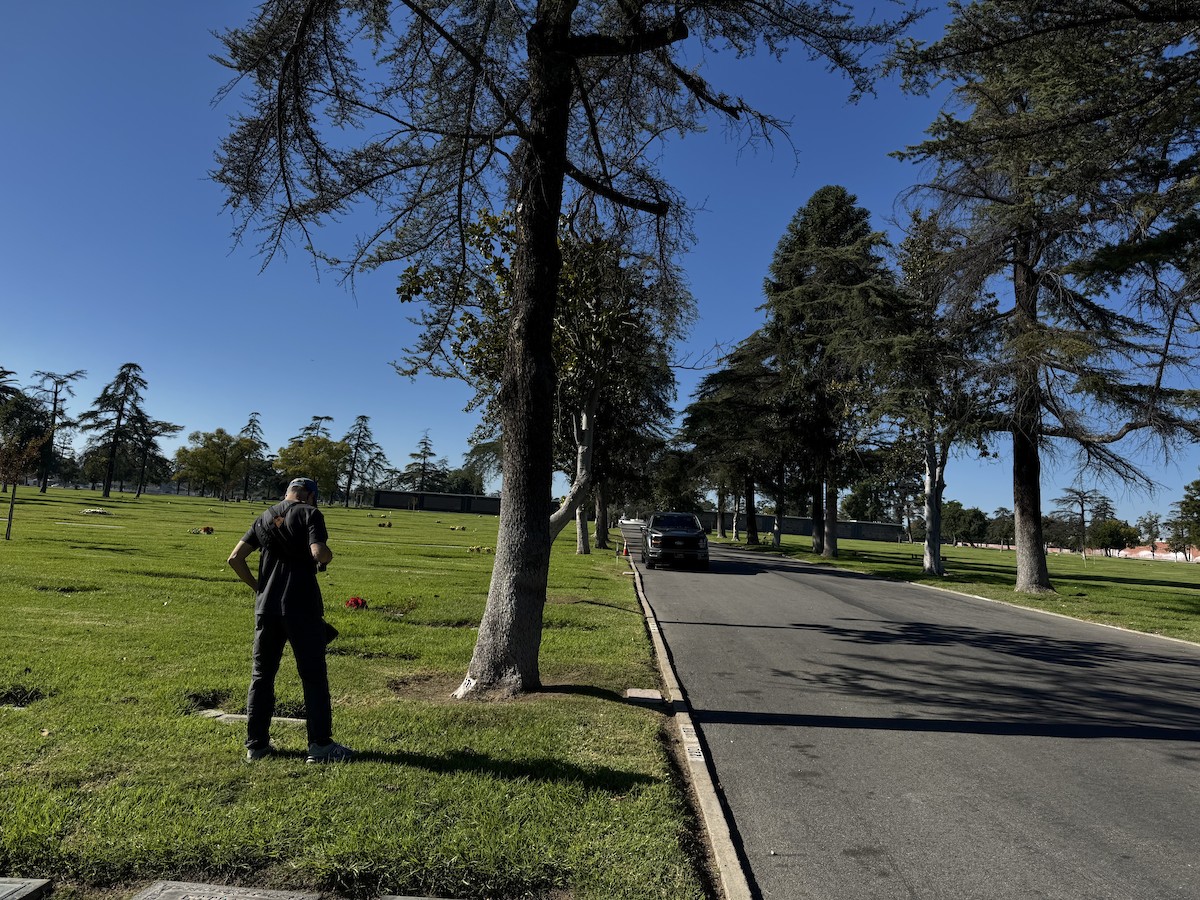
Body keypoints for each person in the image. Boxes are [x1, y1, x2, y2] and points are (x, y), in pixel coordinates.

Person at [227, 477, 354, 763]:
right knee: (313, 677)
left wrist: (259, 588)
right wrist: (327, 557)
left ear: (288, 493)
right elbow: (318, 552)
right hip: (302, 607)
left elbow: (235, 558)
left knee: (262, 676)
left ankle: (256, 746)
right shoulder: (311, 513)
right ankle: (320, 745)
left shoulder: (264, 517)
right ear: (310, 495)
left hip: (266, 609)